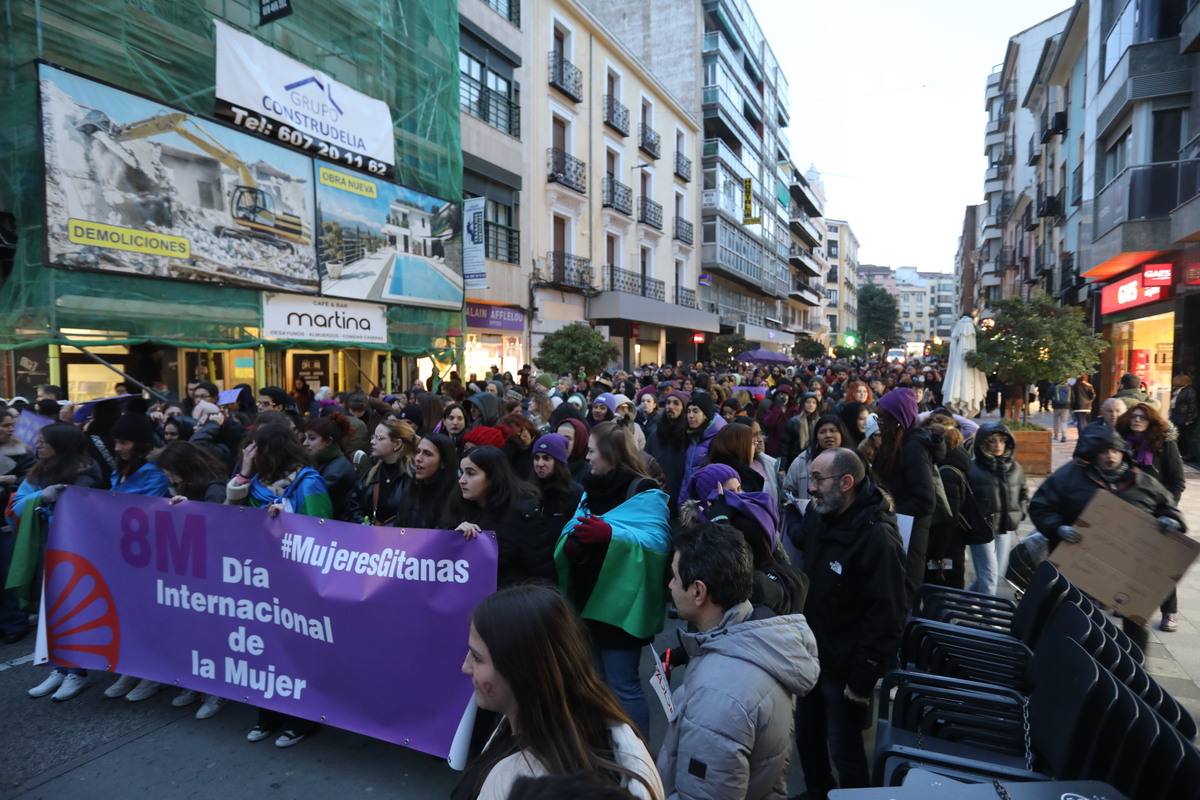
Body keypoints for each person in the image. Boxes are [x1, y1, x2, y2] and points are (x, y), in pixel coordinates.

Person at [453, 585, 662, 800]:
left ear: (519, 672)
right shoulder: (593, 730)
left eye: (477, 658)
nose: (466, 667)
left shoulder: (516, 785)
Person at [658, 522, 818, 800]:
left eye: (673, 576)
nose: (670, 585)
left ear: (698, 591)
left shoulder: (719, 696)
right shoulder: (758, 639)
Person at [788, 447, 907, 797]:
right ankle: (818, 791)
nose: (810, 488)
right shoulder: (818, 515)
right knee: (807, 735)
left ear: (846, 482)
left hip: (845, 671)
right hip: (812, 656)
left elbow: (887, 615)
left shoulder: (878, 538)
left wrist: (862, 678)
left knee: (845, 748)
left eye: (817, 480)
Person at [555, 422, 671, 737]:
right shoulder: (591, 486)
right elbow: (575, 527)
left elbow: (658, 542)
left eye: (591, 450)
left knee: (624, 687)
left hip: (621, 608)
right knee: (594, 684)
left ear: (610, 454)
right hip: (586, 602)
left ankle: (638, 759)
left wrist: (610, 534)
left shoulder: (643, 489)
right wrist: (574, 547)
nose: (586, 456)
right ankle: (605, 753)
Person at [1028, 426, 1184, 653]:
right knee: (1071, 615)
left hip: (1129, 567)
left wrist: (1171, 521)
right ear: (1094, 453)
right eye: (1104, 451)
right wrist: (1058, 527)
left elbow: (1169, 508)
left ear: (1123, 453)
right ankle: (1064, 660)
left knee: (1134, 623)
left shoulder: (1142, 482)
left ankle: (1136, 672)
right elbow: (1041, 506)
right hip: (1080, 563)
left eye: (1115, 451)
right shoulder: (1069, 476)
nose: (1110, 456)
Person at [15, 425, 104, 700]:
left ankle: (77, 673)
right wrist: (41, 496)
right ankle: (59, 667)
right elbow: (17, 503)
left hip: (76, 554)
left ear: (62, 446)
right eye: (38, 442)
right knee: (51, 611)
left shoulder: (86, 474)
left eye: (43, 443)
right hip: (47, 549)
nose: (37, 446)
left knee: (73, 612)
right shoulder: (38, 470)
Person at [153, 441, 230, 719]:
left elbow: (221, 528)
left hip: (212, 574)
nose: (169, 479)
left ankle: (216, 691)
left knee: (211, 634)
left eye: (172, 472)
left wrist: (192, 511)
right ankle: (194, 684)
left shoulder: (214, 488)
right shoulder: (186, 487)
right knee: (191, 632)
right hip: (190, 570)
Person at [1115, 402, 1185, 631]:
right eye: (1133, 416)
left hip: (1158, 513)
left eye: (1142, 418)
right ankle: (1123, 602)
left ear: (1151, 421)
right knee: (1125, 559)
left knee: (1159, 565)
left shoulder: (1164, 444)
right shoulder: (1121, 443)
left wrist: (1168, 509)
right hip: (1128, 511)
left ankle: (1169, 612)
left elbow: (1176, 482)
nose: (1137, 420)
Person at [873, 388, 943, 608]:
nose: (879, 424)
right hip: (903, 530)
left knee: (903, 599)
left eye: (882, 419)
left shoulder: (913, 447)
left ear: (897, 419)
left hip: (910, 535)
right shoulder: (900, 444)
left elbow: (924, 500)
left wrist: (890, 513)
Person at [446, 446, 554, 588]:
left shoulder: (523, 516)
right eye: (461, 472)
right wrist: (455, 538)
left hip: (508, 604)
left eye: (470, 473)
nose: (462, 480)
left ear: (492, 478)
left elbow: (543, 577)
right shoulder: (458, 507)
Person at [964, 422, 1028, 596]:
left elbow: (1023, 493)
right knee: (989, 576)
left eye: (1002, 441)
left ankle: (959, 604)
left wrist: (1020, 512)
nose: (998, 445)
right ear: (984, 443)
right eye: (993, 441)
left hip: (1004, 530)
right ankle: (988, 620)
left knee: (994, 575)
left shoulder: (1015, 468)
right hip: (982, 531)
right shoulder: (971, 468)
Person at [299, 413, 361, 523]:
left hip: (335, 529)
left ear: (328, 441)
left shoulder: (337, 471)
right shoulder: (322, 462)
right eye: (305, 438)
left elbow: (306, 499)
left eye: (312, 438)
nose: (305, 443)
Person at [358, 418, 416, 526]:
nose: (372, 442)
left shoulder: (413, 476)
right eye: (373, 437)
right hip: (369, 537)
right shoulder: (372, 472)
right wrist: (361, 522)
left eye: (379, 438)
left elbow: (412, 515)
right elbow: (354, 503)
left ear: (397, 444)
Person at [396, 433, 460, 529]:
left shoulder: (455, 497)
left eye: (427, 454)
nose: (418, 458)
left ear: (443, 462)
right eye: (418, 452)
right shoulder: (411, 488)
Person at [782, 415, 850, 504]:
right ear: (816, 437)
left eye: (833, 431)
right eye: (822, 432)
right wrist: (801, 507)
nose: (828, 435)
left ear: (842, 434)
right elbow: (787, 492)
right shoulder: (802, 461)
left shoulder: (852, 461)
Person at [644, 390, 690, 511]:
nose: (670, 406)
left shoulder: (690, 437)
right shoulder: (655, 434)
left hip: (680, 497)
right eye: (668, 402)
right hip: (656, 497)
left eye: (676, 403)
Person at [531, 433, 584, 538]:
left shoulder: (574, 492)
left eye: (546, 458)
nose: (540, 464)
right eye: (536, 458)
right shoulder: (528, 491)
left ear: (558, 462)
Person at [681, 392, 726, 508]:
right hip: (688, 504)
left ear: (706, 414)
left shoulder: (717, 440)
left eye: (695, 411)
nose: (690, 416)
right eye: (689, 411)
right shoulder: (692, 437)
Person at [779, 392, 821, 475]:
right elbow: (784, 447)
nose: (811, 405)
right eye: (808, 402)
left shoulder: (820, 422)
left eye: (814, 403)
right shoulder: (793, 422)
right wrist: (782, 468)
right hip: (796, 462)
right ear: (803, 404)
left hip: (815, 462)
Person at [1050, 379, 1073, 443]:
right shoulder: (1068, 386)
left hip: (1056, 405)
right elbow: (1072, 397)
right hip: (1066, 406)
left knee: (1056, 420)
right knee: (1064, 421)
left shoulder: (1054, 385)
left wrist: (1052, 400)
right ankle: (1064, 434)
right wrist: (1071, 405)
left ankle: (1056, 435)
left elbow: (1048, 395)